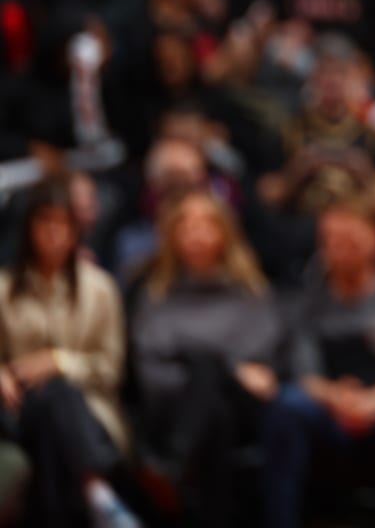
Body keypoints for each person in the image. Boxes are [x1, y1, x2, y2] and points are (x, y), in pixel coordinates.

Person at [261, 196, 375, 528]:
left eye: (351, 237)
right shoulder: (307, 302)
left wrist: (373, 401)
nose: (341, 246)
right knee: (288, 405)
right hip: (327, 409)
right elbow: (304, 372)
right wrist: (336, 397)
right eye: (331, 239)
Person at [129, 190, 282, 528]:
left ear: (225, 232)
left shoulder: (251, 292)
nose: (197, 234)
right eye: (186, 225)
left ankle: (171, 468)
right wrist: (227, 367)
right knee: (212, 403)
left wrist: (202, 359)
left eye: (206, 225)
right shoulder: (155, 292)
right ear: (173, 235)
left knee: (210, 375)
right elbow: (150, 369)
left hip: (243, 409)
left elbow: (262, 369)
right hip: (173, 405)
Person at [0, 180, 136, 528]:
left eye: (62, 224)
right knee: (47, 404)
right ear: (28, 227)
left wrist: (60, 361)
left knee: (57, 399)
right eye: (44, 222)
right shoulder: (3, 287)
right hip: (18, 413)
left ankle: (86, 497)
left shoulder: (100, 288)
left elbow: (112, 369)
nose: (53, 233)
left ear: (77, 231)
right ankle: (98, 493)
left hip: (91, 413)